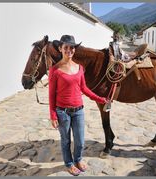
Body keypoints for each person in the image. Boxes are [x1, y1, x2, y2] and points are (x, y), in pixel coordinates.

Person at [49, 35, 107, 176]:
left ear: (75, 49)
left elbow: (84, 88)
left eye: (72, 47)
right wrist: (53, 115)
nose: (69, 50)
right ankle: (69, 163)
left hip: (78, 111)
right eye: (66, 47)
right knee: (66, 140)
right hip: (62, 112)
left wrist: (100, 99)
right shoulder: (55, 70)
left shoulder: (80, 68)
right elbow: (51, 95)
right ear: (60, 49)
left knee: (80, 141)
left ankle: (78, 159)